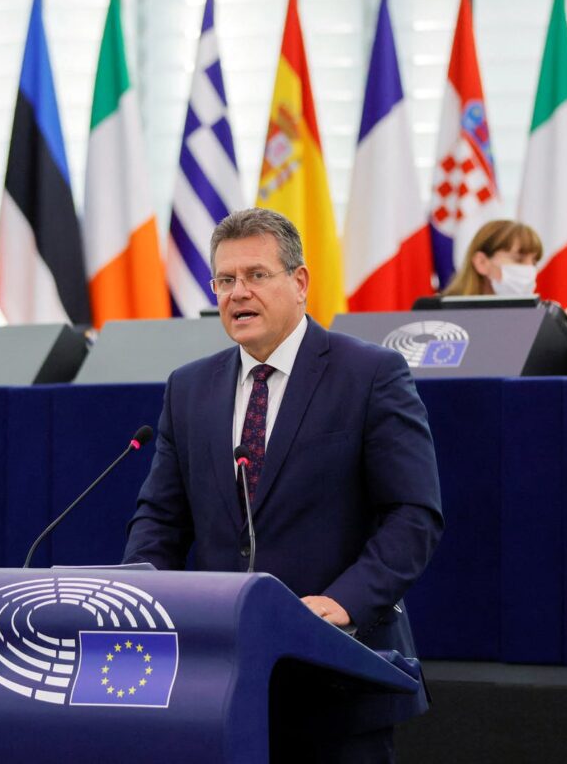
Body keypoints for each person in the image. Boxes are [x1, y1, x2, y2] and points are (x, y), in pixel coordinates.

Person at [123, 208, 444, 762]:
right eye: (225, 280)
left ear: (299, 282)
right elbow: (160, 520)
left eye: (256, 275)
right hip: (219, 680)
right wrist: (141, 606)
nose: (238, 293)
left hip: (338, 677)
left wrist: (342, 603)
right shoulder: (189, 387)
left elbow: (413, 514)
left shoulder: (370, 374)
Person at [443, 219, 567, 329]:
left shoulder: (539, 324)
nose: (529, 270)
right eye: (519, 259)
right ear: (482, 263)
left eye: (534, 262)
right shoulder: (441, 321)